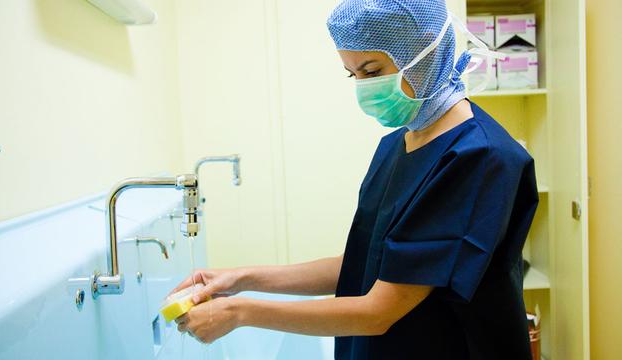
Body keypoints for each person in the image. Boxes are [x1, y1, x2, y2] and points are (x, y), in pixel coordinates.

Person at [170, 0, 539, 358]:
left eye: (372, 71)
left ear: (425, 50)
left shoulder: (479, 158)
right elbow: (369, 263)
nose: (363, 87)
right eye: (353, 74)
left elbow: (380, 310)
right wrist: (240, 279)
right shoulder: (399, 142)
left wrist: (239, 313)